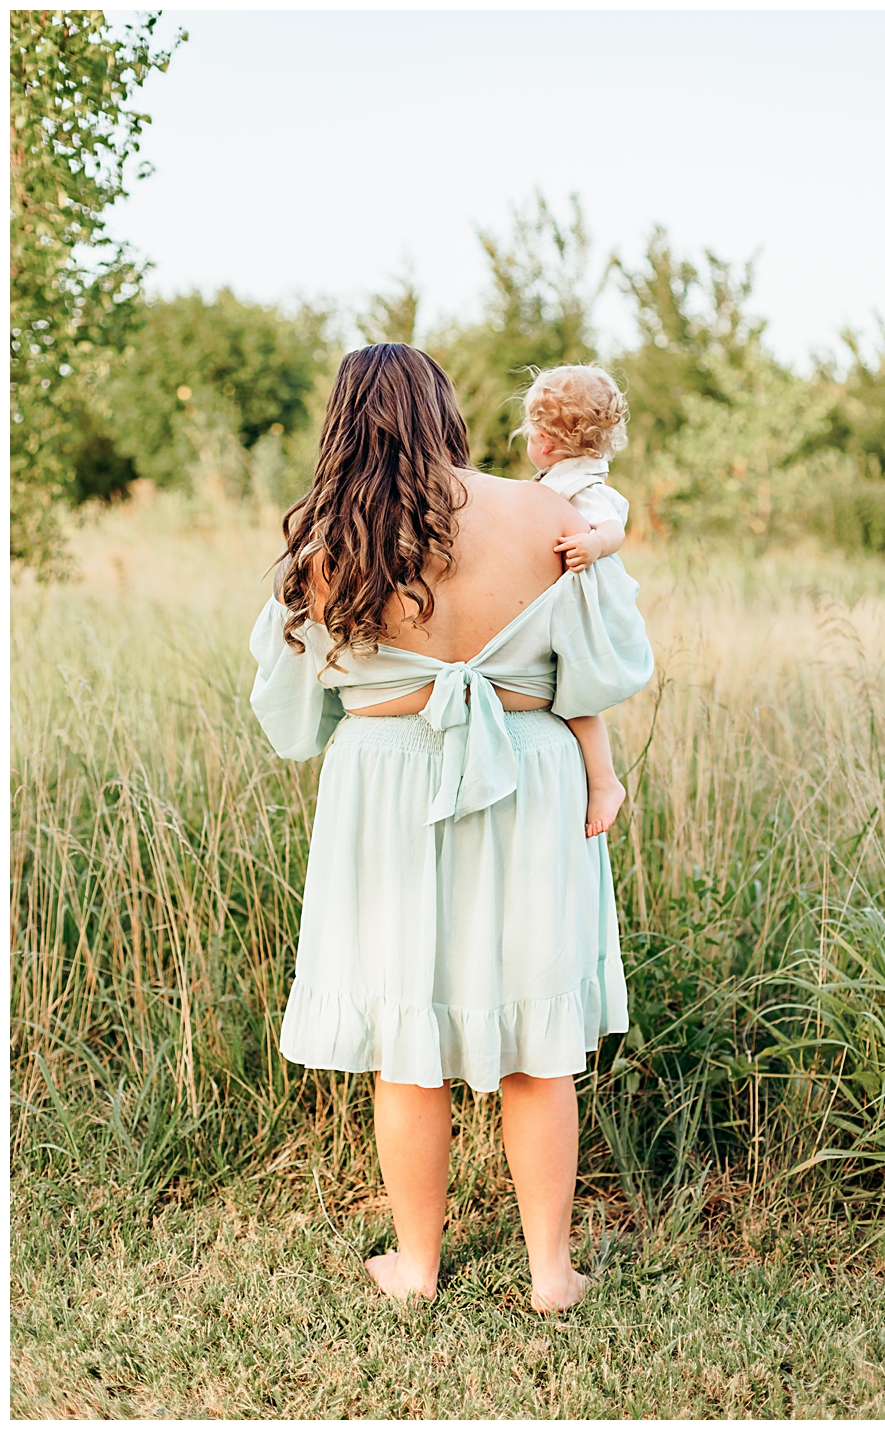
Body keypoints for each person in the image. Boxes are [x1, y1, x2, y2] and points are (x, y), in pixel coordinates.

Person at [248, 343, 654, 1312]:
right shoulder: (551, 513)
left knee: (404, 1030)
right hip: (532, 774)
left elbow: (294, 719)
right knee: (536, 1032)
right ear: (447, 413)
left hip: (384, 786)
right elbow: (605, 665)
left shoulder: (323, 541)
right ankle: (551, 1271)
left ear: (345, 421)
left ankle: (418, 1265)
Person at [516, 363, 635, 838]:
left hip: (585, 602)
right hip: (567, 597)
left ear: (544, 442)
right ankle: (602, 780)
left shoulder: (584, 487)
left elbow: (614, 529)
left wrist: (594, 544)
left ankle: (605, 782)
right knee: (568, 695)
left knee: (576, 699)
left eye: (529, 435)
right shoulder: (556, 479)